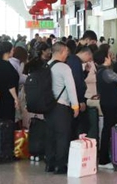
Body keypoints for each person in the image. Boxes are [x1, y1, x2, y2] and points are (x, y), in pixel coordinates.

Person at [45, 42, 79, 175]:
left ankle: (50, 164)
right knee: (62, 136)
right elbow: (71, 88)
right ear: (61, 51)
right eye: (66, 52)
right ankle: (60, 165)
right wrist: (75, 105)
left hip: (48, 106)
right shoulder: (64, 68)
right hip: (61, 106)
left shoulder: (46, 66)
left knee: (50, 135)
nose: (67, 55)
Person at [93, 49, 117, 170]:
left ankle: (106, 157)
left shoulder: (100, 72)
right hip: (111, 104)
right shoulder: (106, 72)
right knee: (108, 130)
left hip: (106, 103)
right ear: (105, 59)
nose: (111, 58)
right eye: (109, 56)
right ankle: (103, 160)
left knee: (108, 130)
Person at [0, 42, 19, 121]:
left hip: (1, 97)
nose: (13, 52)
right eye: (12, 50)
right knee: (8, 121)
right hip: (8, 98)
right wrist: (16, 99)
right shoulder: (6, 66)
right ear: (8, 51)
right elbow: (10, 85)